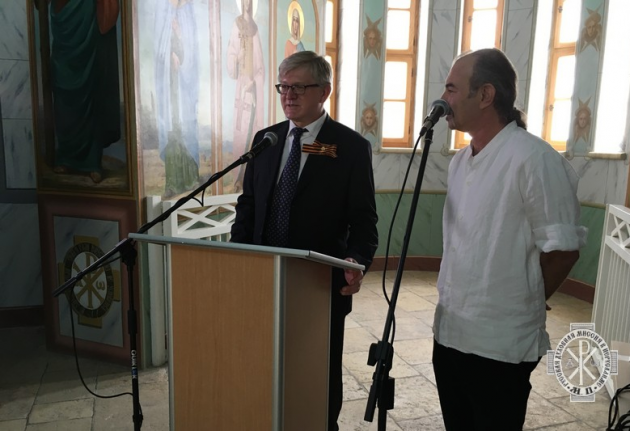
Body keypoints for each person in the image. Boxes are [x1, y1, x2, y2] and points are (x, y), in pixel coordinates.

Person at [432, 48, 587, 431]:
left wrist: (527, 296)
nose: (443, 99)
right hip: (450, 332)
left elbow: (563, 249)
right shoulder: (460, 160)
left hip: (499, 344)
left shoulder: (534, 159)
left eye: (452, 89)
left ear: (486, 95)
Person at [230, 51, 378, 430]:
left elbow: (364, 221)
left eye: (298, 87)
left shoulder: (348, 147)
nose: (288, 95)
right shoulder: (266, 140)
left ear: (324, 91)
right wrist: (234, 258)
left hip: (319, 285)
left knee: (318, 374)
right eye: (283, 87)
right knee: (265, 366)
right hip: (264, 280)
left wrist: (356, 260)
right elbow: (249, 206)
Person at [48, 0, 121, 184]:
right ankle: (66, 158)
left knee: (92, 89)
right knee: (64, 95)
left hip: (89, 18)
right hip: (65, 19)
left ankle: (92, 163)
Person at [154, 0, 200, 197]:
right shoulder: (164, 11)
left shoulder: (188, 11)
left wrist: (180, 51)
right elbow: (159, 49)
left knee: (186, 129)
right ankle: (172, 183)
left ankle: (191, 179)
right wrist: (169, 58)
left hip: (184, 86)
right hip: (170, 84)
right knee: (172, 130)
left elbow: (193, 51)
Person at [226, 0, 265, 192]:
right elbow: (230, 57)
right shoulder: (237, 24)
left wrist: (255, 83)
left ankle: (248, 180)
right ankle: (237, 179)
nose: (247, 3)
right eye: (244, 0)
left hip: (253, 90)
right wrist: (238, 57)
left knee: (252, 133)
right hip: (241, 88)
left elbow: (260, 67)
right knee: (240, 132)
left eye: (250, 0)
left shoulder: (255, 29)